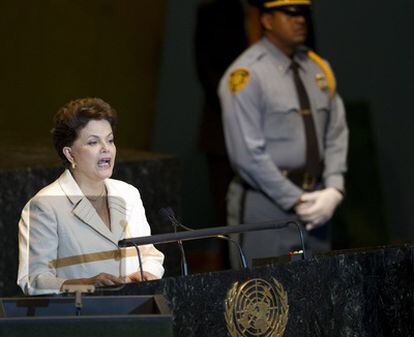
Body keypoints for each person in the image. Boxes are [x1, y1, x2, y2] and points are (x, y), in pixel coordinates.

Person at [219, 0, 348, 265]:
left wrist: (334, 188)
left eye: (303, 13)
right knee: (263, 292)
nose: (299, 20)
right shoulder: (246, 74)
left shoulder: (317, 67)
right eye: (289, 13)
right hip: (266, 203)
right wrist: (296, 199)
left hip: (318, 200)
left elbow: (336, 132)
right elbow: (247, 155)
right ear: (267, 20)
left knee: (318, 287)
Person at [17, 98, 164, 295]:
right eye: (93, 142)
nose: (106, 148)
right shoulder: (44, 205)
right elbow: (34, 280)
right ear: (70, 154)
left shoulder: (128, 194)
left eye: (110, 140)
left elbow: (150, 255)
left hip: (135, 311)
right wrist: (86, 284)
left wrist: (144, 275)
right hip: (81, 317)